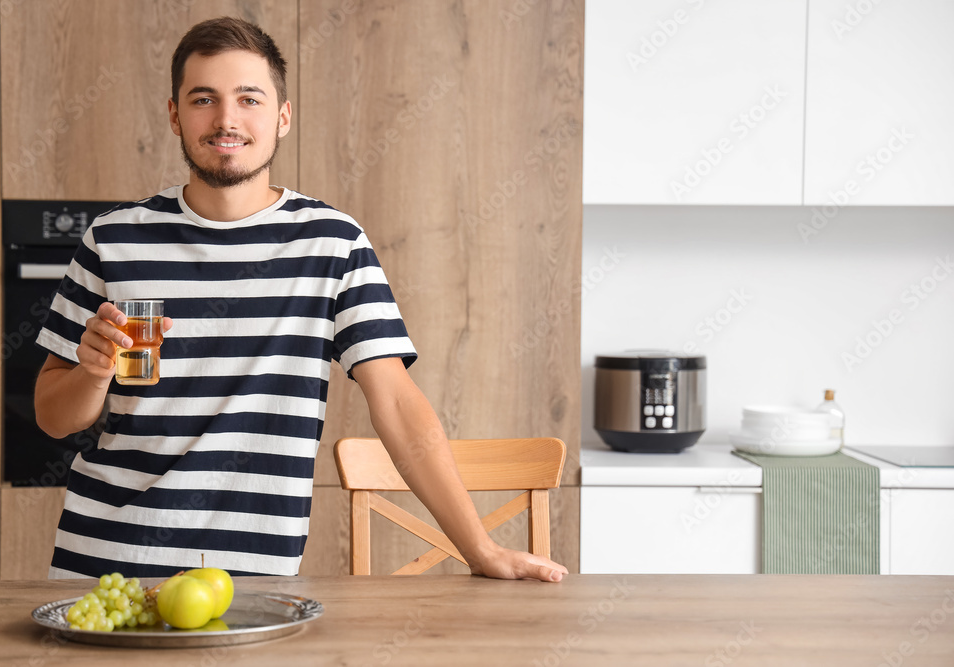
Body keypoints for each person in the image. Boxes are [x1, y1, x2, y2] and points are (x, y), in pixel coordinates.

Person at [33, 16, 567, 583]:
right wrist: (92, 374)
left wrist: (479, 549)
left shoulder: (332, 243)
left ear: (282, 116)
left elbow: (399, 406)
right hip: (106, 563)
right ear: (174, 115)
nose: (226, 119)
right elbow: (51, 416)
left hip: (253, 579)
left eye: (249, 98)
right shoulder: (115, 238)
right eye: (203, 99)